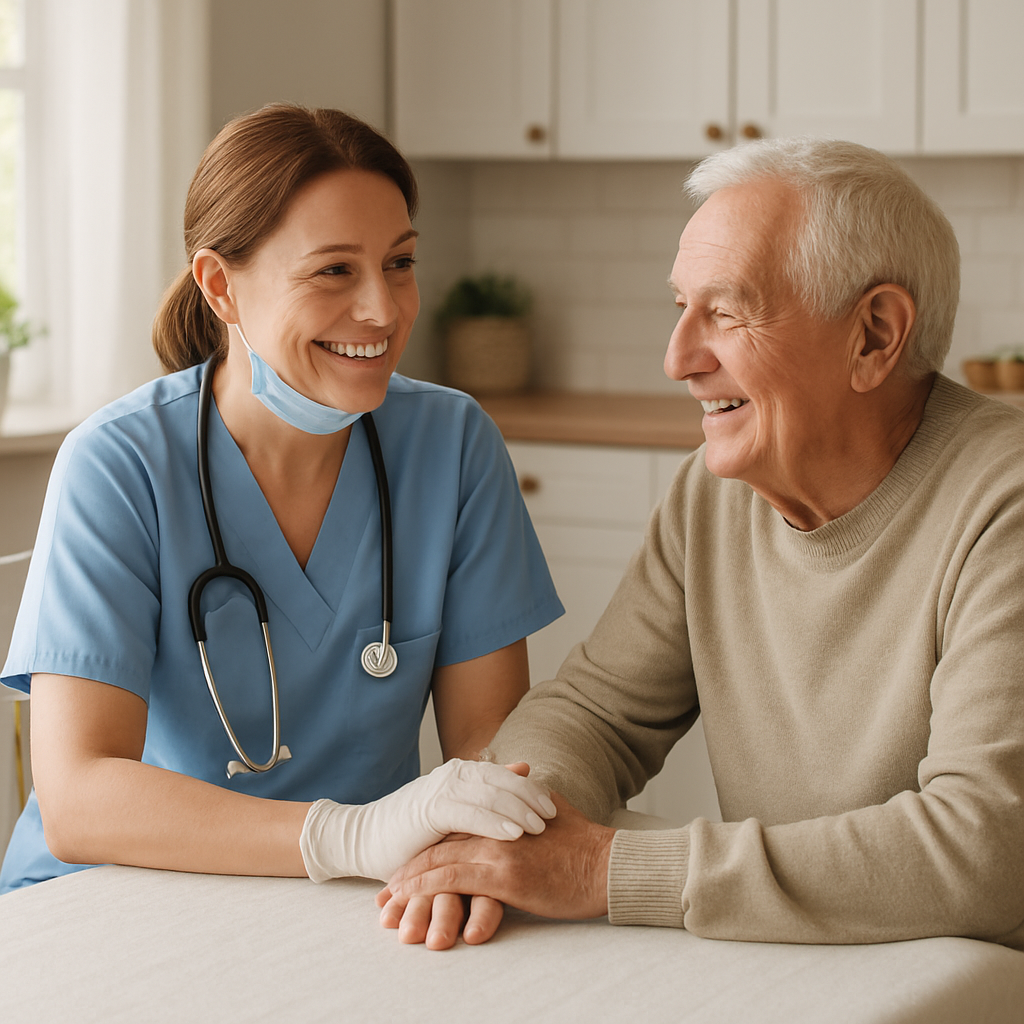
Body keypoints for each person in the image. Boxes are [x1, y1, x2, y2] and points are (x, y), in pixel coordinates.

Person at [379, 137, 1024, 951]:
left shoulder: (1005, 503)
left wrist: (604, 870)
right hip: (803, 968)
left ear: (874, 335)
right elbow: (594, 713)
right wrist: (506, 829)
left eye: (725, 312)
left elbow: (987, 851)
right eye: (680, 307)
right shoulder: (711, 494)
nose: (678, 358)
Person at [0, 105, 564, 910]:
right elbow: (80, 800)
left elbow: (489, 747)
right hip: (120, 897)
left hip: (359, 901)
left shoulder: (452, 443)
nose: (382, 308)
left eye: (399, 262)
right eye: (335, 270)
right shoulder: (118, 465)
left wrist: (467, 846)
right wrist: (350, 837)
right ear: (220, 286)